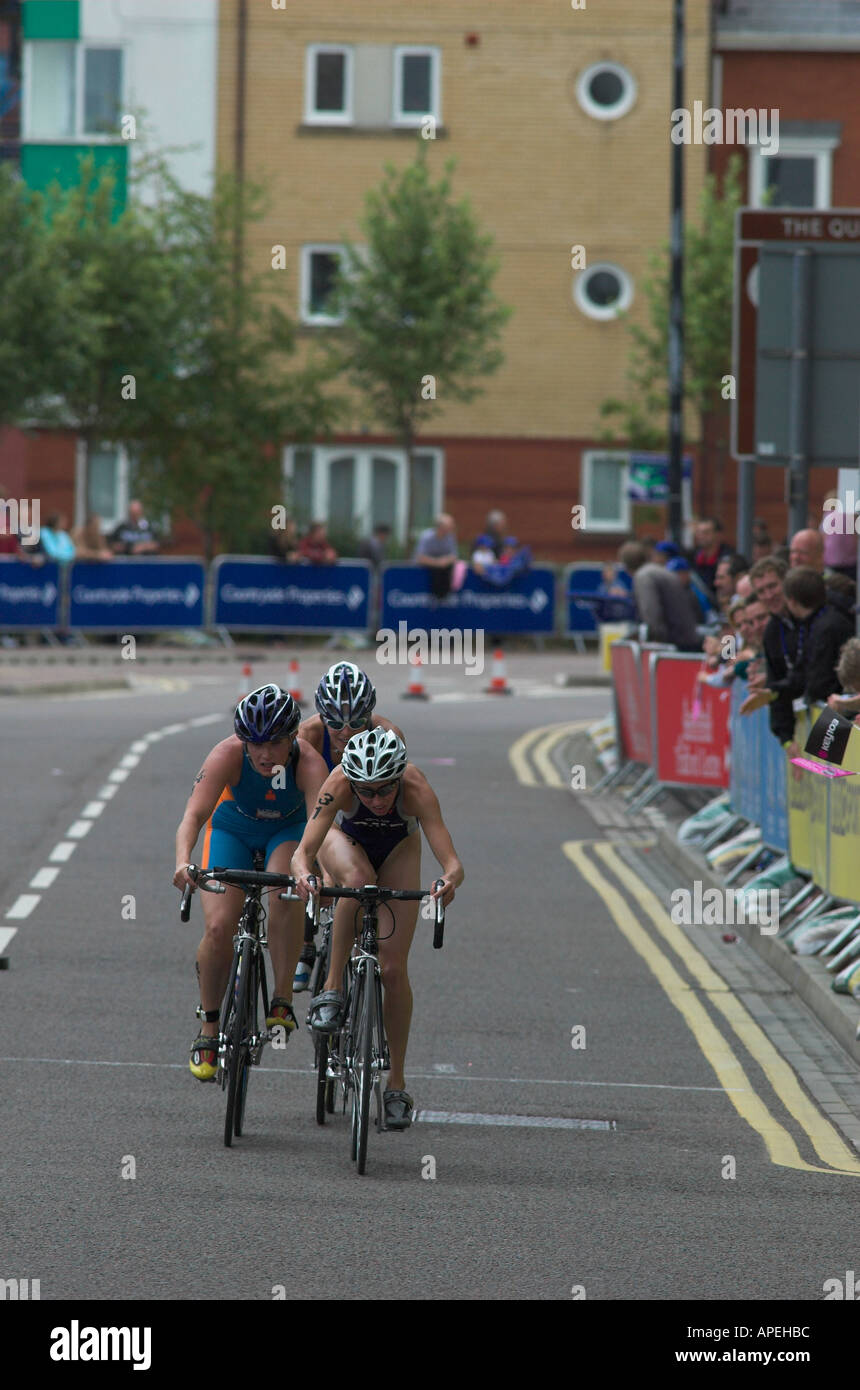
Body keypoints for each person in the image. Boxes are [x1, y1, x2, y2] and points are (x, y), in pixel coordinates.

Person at [291, 728, 464, 1131]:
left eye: (385, 790)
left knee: (392, 969)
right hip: (346, 842)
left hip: (398, 848)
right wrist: (303, 876)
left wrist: (448, 882)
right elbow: (304, 851)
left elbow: (452, 862)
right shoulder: (338, 784)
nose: (376, 800)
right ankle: (332, 989)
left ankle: (397, 1086)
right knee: (358, 881)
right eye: (366, 792)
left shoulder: (416, 787)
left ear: (399, 777)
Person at [173, 684, 329, 1081]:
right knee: (218, 926)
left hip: (287, 832)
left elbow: (320, 830)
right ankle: (208, 1030)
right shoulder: (227, 754)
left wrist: (315, 872)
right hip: (233, 827)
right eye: (254, 742)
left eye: (275, 742)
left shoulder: (310, 765)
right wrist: (182, 862)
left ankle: (280, 997)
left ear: (293, 736)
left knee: (284, 894)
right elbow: (193, 816)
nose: (264, 753)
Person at [291, 662, 406, 991]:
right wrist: (323, 866)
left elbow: (392, 800)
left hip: (362, 815)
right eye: (335, 722)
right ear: (321, 717)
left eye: (357, 721)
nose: (345, 731)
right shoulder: (308, 737)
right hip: (320, 810)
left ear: (369, 715)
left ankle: (356, 948)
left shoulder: (389, 736)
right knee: (310, 864)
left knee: (361, 879)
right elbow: (309, 810)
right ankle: (306, 943)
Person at [619, 540, 701, 651]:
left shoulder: (643, 577)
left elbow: (651, 611)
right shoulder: (658, 571)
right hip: (688, 634)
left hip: (677, 642)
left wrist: (656, 640)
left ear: (626, 566)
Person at [470, 509, 532, 585]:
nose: (504, 526)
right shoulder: (483, 539)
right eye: (502, 523)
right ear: (494, 524)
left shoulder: (501, 538)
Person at [414, 513, 458, 598]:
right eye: (449, 526)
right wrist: (437, 563)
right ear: (441, 527)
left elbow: (454, 556)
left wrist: (444, 561)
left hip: (444, 573)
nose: (452, 528)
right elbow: (419, 557)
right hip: (425, 572)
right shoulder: (426, 537)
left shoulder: (450, 537)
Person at [690, 517, 732, 596]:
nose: (701, 536)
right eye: (698, 532)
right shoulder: (692, 557)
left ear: (718, 535)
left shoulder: (728, 558)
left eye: (706, 532)